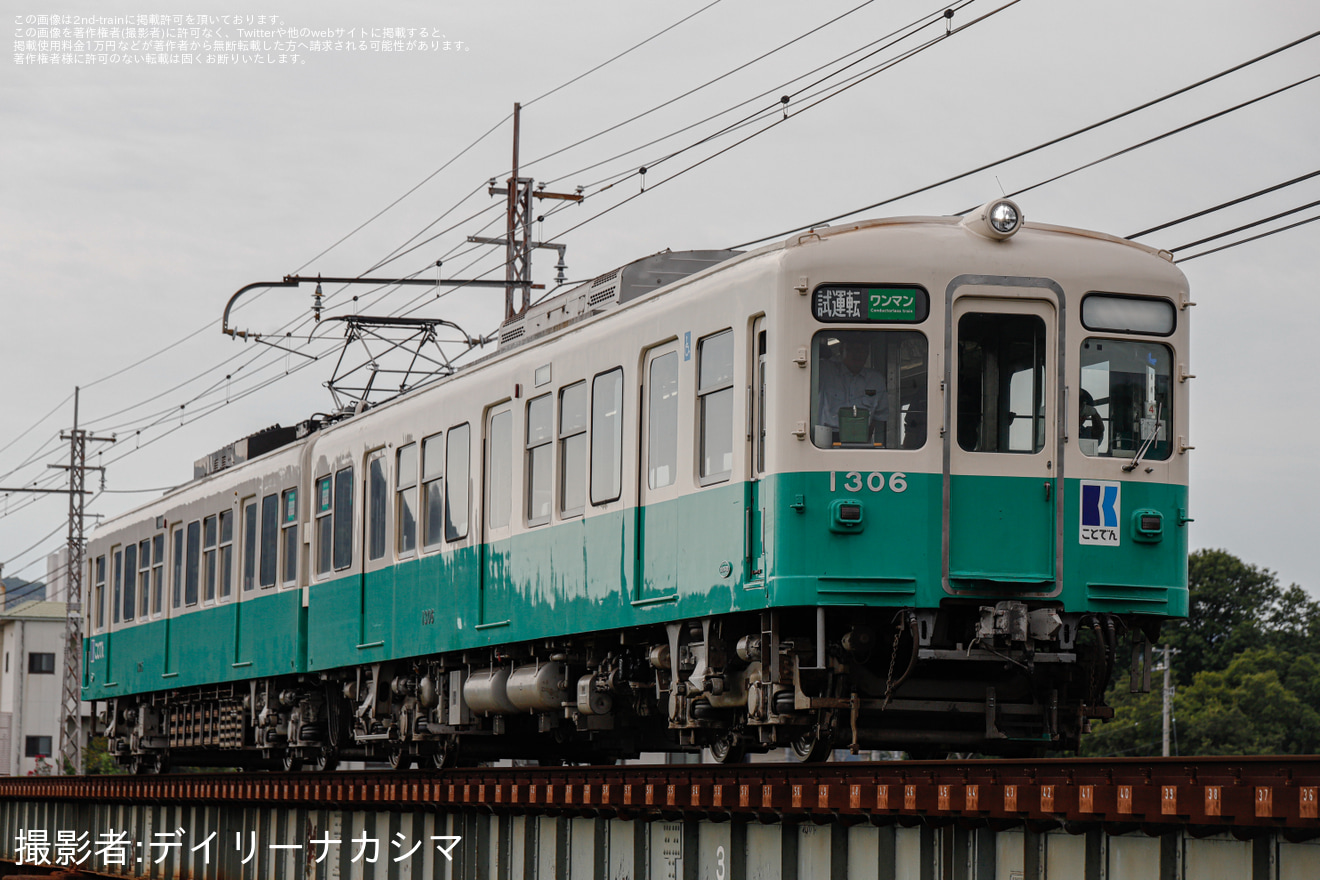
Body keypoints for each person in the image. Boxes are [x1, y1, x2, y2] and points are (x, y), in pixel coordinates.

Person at [817, 338, 887, 444]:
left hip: (861, 439)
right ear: (841, 350)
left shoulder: (876, 380)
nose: (858, 355)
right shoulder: (824, 371)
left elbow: (879, 417)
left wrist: (866, 439)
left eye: (863, 351)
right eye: (852, 350)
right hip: (826, 438)